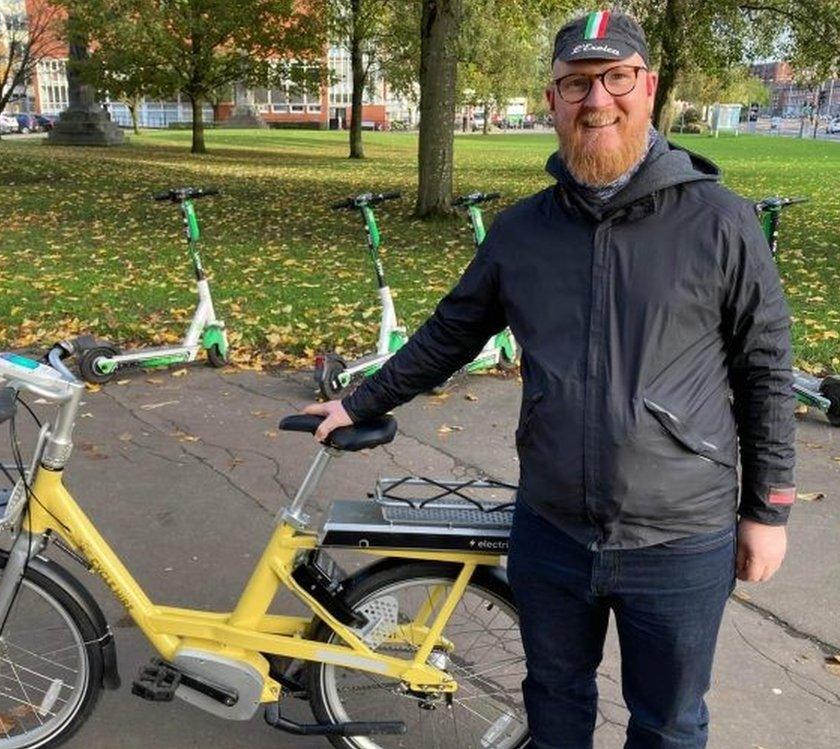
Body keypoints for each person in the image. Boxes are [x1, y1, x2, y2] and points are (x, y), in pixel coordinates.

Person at [305, 10, 795, 749]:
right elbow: (448, 334)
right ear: (552, 101)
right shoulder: (522, 232)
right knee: (555, 701)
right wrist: (359, 401)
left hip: (680, 539)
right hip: (553, 531)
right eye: (576, 84)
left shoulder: (719, 221)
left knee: (670, 721)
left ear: (648, 88)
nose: (597, 101)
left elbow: (765, 368)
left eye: (615, 79)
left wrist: (768, 509)